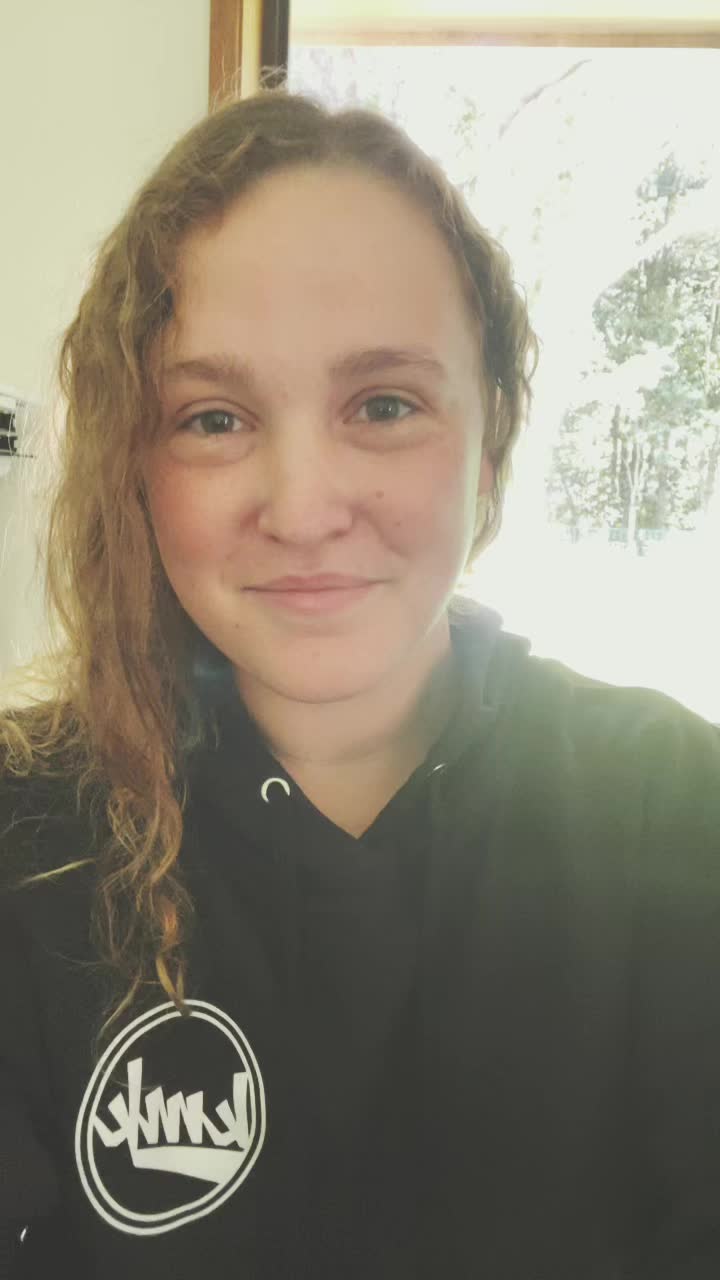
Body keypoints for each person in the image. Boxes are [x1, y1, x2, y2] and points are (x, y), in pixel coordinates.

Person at [1, 87, 719, 1280]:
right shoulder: (24, 836)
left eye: (384, 405)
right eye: (214, 417)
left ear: (491, 435)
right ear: (133, 461)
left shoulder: (678, 811)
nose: (303, 507)